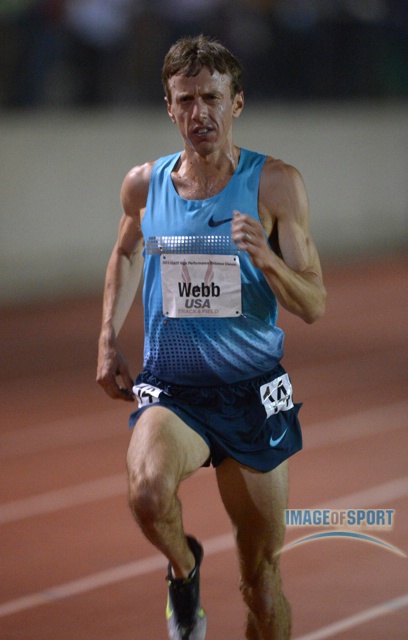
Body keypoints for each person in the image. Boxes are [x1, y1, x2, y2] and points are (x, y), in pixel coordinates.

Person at [96, 34, 326, 640]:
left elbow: (315, 304)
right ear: (169, 107)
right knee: (147, 493)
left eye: (212, 98)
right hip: (173, 392)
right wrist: (106, 339)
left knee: (261, 585)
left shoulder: (275, 185)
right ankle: (185, 568)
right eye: (186, 99)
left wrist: (269, 262)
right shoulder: (144, 186)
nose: (200, 113)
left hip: (251, 395)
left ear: (237, 103)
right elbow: (124, 253)